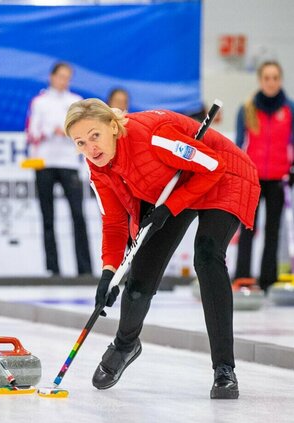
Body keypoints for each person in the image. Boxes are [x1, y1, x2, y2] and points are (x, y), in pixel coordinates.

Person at [65, 98, 259, 399]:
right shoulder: (98, 167)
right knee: (141, 273)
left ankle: (224, 369)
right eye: (80, 142)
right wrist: (108, 273)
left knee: (207, 254)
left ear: (113, 127)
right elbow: (114, 225)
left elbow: (213, 165)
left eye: (95, 135)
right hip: (173, 182)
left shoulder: (153, 137)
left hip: (224, 175)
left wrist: (171, 207)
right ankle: (125, 344)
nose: (91, 147)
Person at [26, 62, 92, 277]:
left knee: (77, 215)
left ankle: (85, 269)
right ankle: (52, 268)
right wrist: (50, 130)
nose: (63, 80)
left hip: (69, 162)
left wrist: (69, 132)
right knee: (48, 216)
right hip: (44, 162)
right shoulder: (40, 102)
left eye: (67, 77)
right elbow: (31, 131)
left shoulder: (76, 102)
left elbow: (85, 131)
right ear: (52, 76)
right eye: (60, 76)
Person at [234, 60, 294, 290]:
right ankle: (243, 276)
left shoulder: (289, 109)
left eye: (275, 78)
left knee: (273, 229)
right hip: (253, 178)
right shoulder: (247, 108)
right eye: (267, 78)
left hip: (279, 179)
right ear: (260, 80)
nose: (271, 82)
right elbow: (239, 144)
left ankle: (268, 279)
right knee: (248, 228)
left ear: (280, 80)